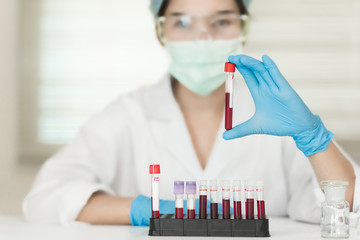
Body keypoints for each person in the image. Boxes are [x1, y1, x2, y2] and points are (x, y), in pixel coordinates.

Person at [23, 0, 359, 226]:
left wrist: (313, 138)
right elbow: (45, 199)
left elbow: (345, 205)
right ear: (160, 31)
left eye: (222, 21)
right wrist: (149, 210)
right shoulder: (126, 115)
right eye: (182, 22)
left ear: (243, 29)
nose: (202, 37)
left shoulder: (278, 115)